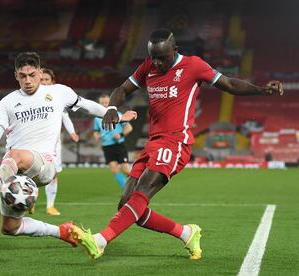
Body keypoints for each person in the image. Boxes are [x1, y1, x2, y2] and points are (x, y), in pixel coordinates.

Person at [69, 28, 284, 260]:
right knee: (126, 205)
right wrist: (111, 108)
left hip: (175, 141)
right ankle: (186, 233)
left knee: (143, 192)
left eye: (162, 58)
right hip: (153, 142)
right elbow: (122, 89)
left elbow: (230, 84)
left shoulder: (194, 66)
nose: (157, 63)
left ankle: (100, 240)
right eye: (154, 57)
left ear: (175, 50)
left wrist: (262, 90)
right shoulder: (148, 66)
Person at [0, 52, 137, 245]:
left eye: (32, 75)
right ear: (16, 75)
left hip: (44, 165)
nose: (28, 80)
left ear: (40, 72)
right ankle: (62, 232)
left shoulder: (58, 92)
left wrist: (116, 115)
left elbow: (87, 106)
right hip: (14, 173)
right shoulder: (6, 103)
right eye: (23, 76)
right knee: (10, 228)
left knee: (15, 154)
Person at [27, 67, 80, 216]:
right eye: (41, 80)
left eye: (47, 80)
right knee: (33, 172)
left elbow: (65, 117)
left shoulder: (57, 99)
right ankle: (30, 200)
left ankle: (50, 206)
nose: (44, 82)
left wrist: (72, 132)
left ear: (53, 82)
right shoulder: (30, 99)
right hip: (34, 142)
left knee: (53, 174)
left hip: (53, 144)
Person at [93, 94, 132, 189]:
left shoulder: (118, 115)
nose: (104, 104)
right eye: (102, 103)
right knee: (114, 170)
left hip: (118, 145)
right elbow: (96, 131)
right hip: (106, 147)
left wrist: (120, 135)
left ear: (110, 103)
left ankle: (137, 186)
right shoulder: (97, 118)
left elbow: (129, 127)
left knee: (126, 170)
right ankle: (126, 190)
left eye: (106, 102)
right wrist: (96, 136)